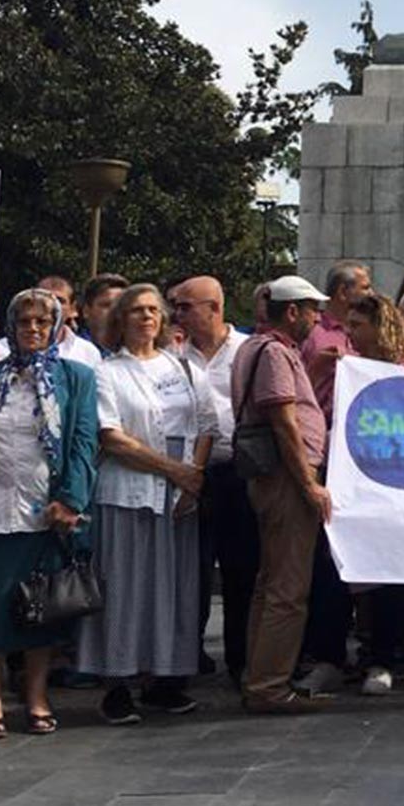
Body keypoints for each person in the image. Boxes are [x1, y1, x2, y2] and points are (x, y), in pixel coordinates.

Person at [0, 288, 100, 738]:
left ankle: (36, 695)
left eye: (40, 322)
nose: (31, 329)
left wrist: (71, 499)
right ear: (10, 327)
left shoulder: (76, 378)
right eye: (23, 322)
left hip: (44, 511)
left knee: (40, 609)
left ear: (54, 328)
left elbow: (83, 443)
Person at [76, 284, 217, 724]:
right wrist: (173, 471)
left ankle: (165, 679)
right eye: (136, 310)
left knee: (172, 588)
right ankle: (117, 681)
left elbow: (206, 423)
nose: (146, 317)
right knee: (124, 588)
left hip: (178, 496)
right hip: (130, 492)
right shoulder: (107, 371)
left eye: (153, 310)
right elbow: (111, 435)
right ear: (121, 319)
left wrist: (191, 478)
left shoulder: (183, 367)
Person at [233, 276, 335, 713]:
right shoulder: (274, 352)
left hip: (275, 477)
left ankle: (259, 676)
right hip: (286, 479)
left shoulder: (258, 347)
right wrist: (308, 482)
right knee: (288, 588)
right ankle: (270, 687)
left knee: (270, 582)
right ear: (291, 311)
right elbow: (284, 423)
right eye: (313, 309)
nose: (317, 318)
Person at [171, 276, 254, 685]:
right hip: (191, 473)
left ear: (214, 308)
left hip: (237, 472)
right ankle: (187, 653)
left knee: (241, 569)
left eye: (185, 306)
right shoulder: (172, 355)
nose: (177, 314)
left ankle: (241, 657)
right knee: (192, 569)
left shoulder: (247, 350)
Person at [339, 292, 404, 696]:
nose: (349, 333)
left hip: (395, 485)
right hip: (354, 484)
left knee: (387, 576)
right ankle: (352, 653)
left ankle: (383, 658)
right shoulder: (346, 368)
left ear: (378, 326)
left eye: (357, 325)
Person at [304, 260, 371, 405]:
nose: (371, 294)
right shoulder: (311, 333)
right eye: (365, 288)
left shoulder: (372, 333)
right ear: (342, 292)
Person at [77, 273, 129, 353]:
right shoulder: (72, 351)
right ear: (86, 311)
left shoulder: (136, 351)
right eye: (106, 305)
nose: (115, 311)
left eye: (120, 305)